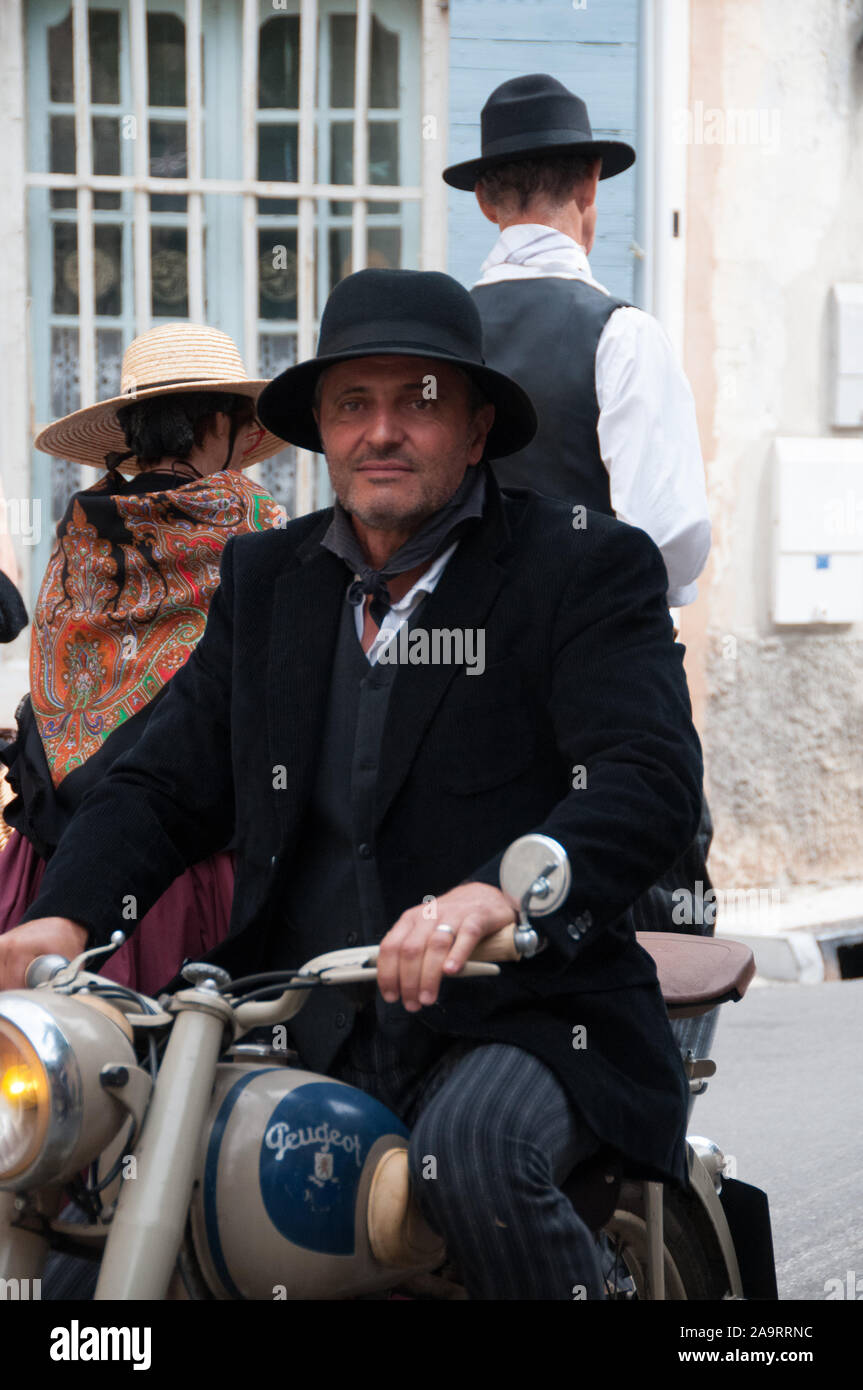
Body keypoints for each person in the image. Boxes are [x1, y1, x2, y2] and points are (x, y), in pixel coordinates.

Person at [0, 269, 703, 1301]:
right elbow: (160, 783)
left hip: (523, 1010)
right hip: (292, 1012)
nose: (382, 430)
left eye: (417, 401)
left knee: (470, 1161)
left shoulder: (580, 568)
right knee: (91, 1202)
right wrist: (60, 922)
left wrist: (498, 894)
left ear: (473, 428)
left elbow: (644, 779)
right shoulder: (268, 579)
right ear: (321, 430)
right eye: (351, 404)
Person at [445, 77, 717, 1048]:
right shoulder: (621, 337)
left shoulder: (434, 350)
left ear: (483, 199)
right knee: (640, 958)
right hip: (600, 708)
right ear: (591, 188)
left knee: (474, 965)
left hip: (447, 710)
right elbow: (663, 543)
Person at [0, 322, 286, 993]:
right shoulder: (250, 520)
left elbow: (60, 666)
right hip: (182, 855)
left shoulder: (83, 525)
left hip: (60, 855)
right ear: (222, 420)